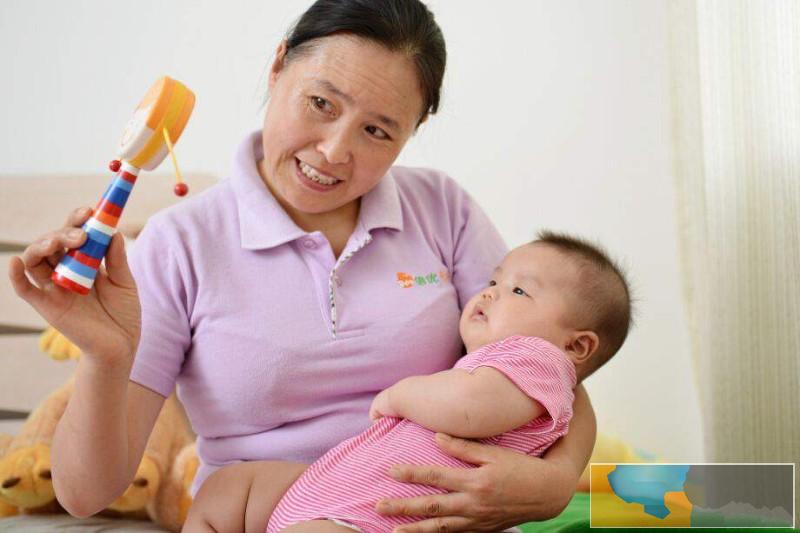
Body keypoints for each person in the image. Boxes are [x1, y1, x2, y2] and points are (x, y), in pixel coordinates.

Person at [8, 1, 598, 531]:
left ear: (413, 132)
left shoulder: (442, 209)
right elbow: (85, 495)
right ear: (277, 66)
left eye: (377, 131)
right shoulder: (179, 244)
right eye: (321, 103)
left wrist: (554, 482)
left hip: (426, 511)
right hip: (265, 512)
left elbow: (546, 367)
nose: (335, 151)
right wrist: (106, 356)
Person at [183, 232, 632, 533]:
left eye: (519, 291)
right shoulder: (502, 361)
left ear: (577, 346)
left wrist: (400, 394)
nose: (490, 291)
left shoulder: (541, 361)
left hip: (387, 516)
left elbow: (468, 409)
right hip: (342, 487)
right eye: (494, 280)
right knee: (228, 488)